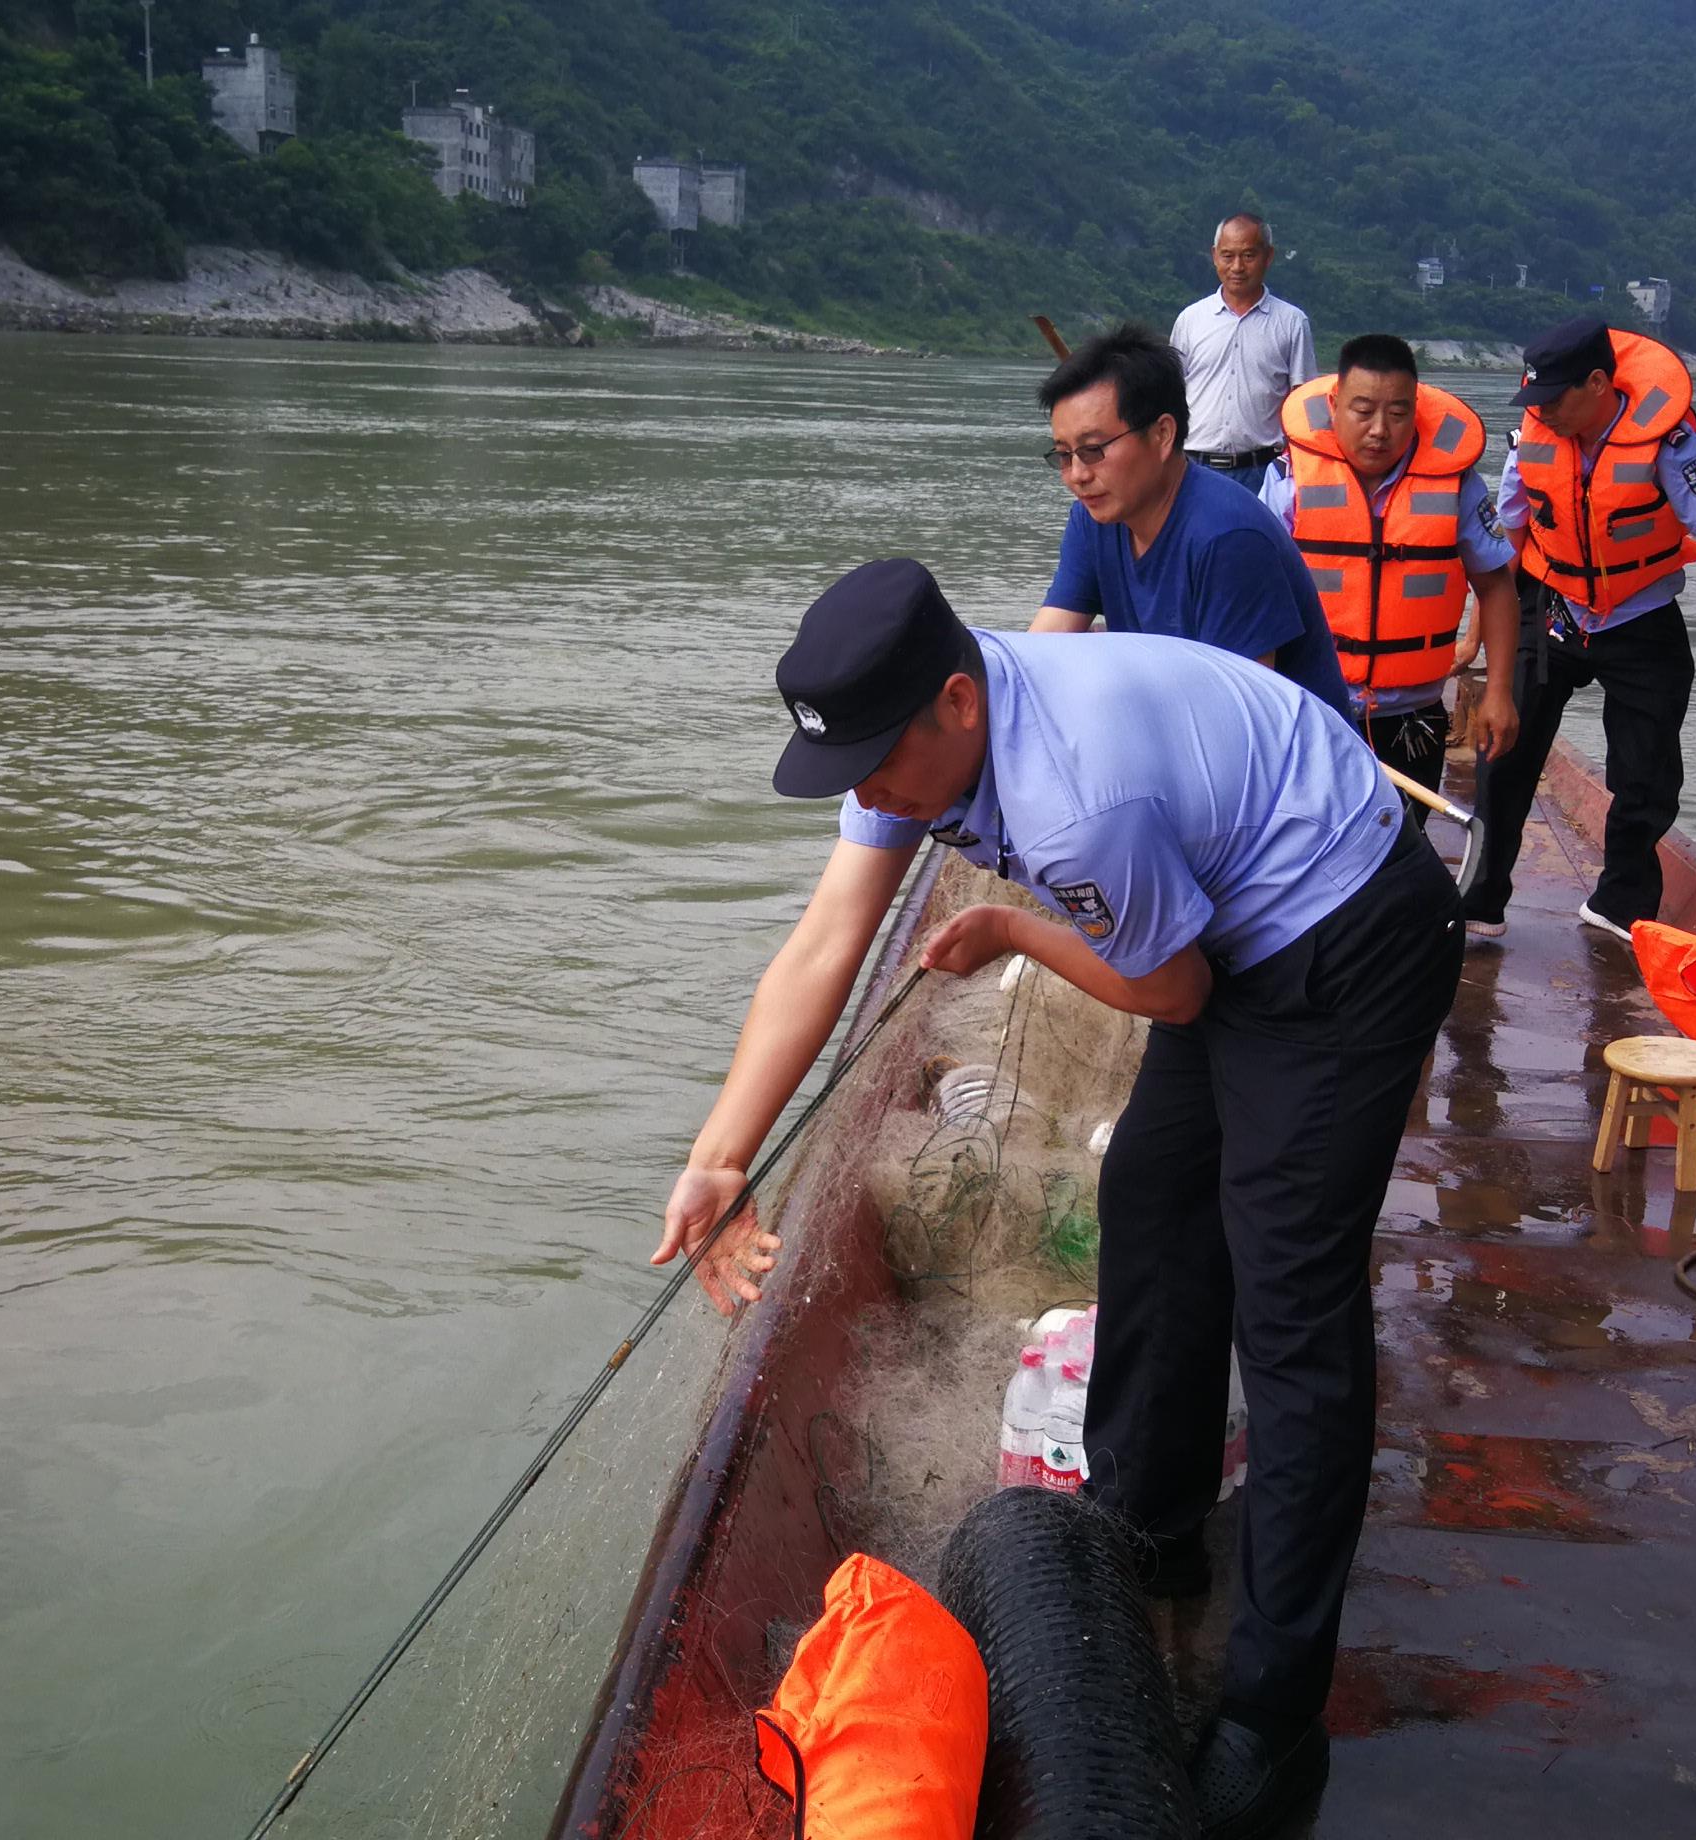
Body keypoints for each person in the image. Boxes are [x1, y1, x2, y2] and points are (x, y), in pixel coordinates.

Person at [650, 559, 1462, 1839]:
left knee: (1291, 1302)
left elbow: (1177, 994)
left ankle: (1275, 1707)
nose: (865, 796)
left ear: (957, 703)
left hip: (1344, 932)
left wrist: (1020, 933)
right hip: (1230, 915)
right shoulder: (916, 740)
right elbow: (824, 940)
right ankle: (1151, 1516)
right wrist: (719, 1151)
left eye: (873, 764)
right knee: (1151, 1192)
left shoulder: (1076, 798)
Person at [1463, 314, 1696, 942]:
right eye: (1535, 398)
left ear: (1598, 384)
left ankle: (1620, 905)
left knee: (1646, 774)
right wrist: (1479, 633)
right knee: (1502, 754)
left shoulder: (1671, 447)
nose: (1544, 411)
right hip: (1551, 608)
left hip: (1641, 619)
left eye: (1555, 397)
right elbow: (1504, 543)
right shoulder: (1532, 443)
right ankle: (1481, 899)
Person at [1032, 326, 1355, 722]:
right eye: (1064, 455)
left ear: (1163, 434)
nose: (1077, 475)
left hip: (1285, 763)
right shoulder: (1094, 518)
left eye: (1093, 450)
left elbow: (1240, 721)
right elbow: (1047, 643)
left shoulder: (1228, 539)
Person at [1262, 333, 1524, 794]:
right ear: (1335, 403)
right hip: (1311, 705)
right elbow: (1253, 593)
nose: (1380, 429)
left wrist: (1499, 691)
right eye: (1363, 411)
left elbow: (1496, 586)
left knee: (1404, 850)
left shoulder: (1456, 485)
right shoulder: (1288, 481)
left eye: (1398, 413)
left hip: (1413, 716)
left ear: (1415, 412)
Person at [1168, 213, 1313, 497]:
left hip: (1264, 470)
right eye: (1227, 255)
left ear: (1268, 257)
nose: (1237, 267)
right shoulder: (1191, 320)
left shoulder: (1292, 323)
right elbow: (1169, 392)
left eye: (1248, 255)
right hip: (1194, 468)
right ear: (1214, 256)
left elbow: (1303, 403)